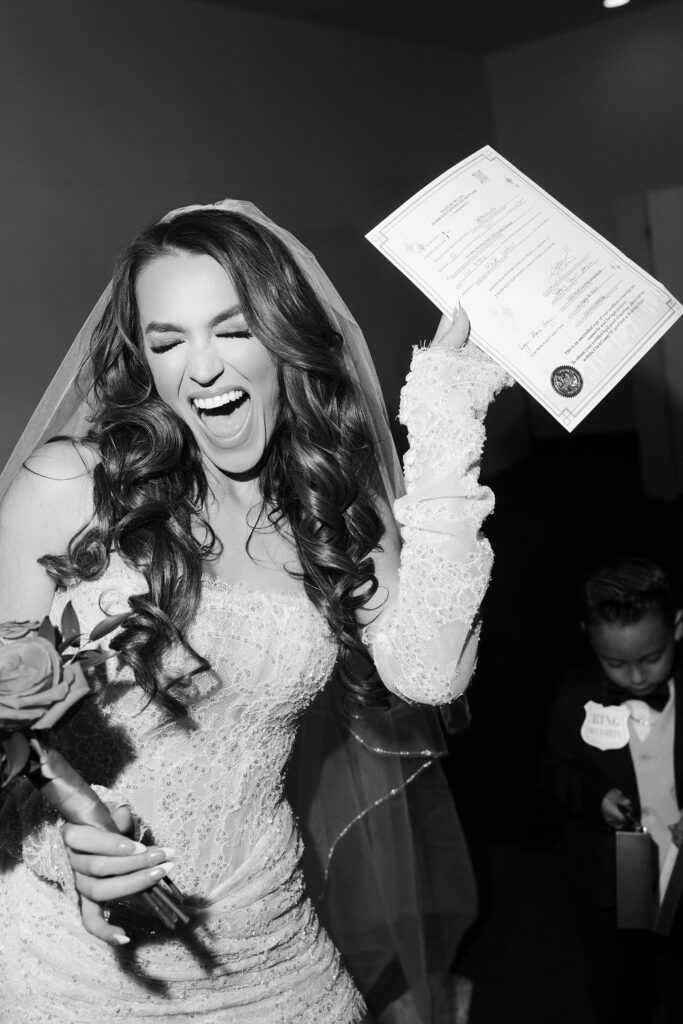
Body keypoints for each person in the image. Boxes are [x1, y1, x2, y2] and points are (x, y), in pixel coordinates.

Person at [0, 200, 509, 1023]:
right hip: (70, 958)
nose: (199, 368)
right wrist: (69, 843)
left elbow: (430, 673)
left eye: (231, 330)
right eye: (167, 341)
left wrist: (447, 437)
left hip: (269, 941)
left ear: (285, 340)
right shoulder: (70, 489)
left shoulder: (331, 516)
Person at [541, 556, 683, 1024]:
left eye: (651, 658)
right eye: (616, 663)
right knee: (619, 977)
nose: (638, 677)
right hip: (612, 876)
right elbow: (555, 769)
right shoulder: (574, 694)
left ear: (677, 627)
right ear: (589, 635)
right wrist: (593, 798)